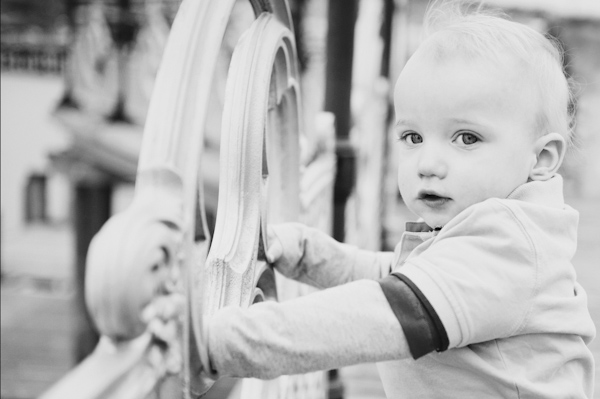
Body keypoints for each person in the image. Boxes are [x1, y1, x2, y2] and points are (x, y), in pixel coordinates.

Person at [148, 1, 596, 397]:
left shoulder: (508, 248)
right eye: (413, 136)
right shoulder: (495, 228)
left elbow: (373, 318)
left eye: (466, 137)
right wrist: (313, 257)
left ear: (541, 158)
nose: (428, 163)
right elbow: (399, 276)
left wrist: (215, 342)